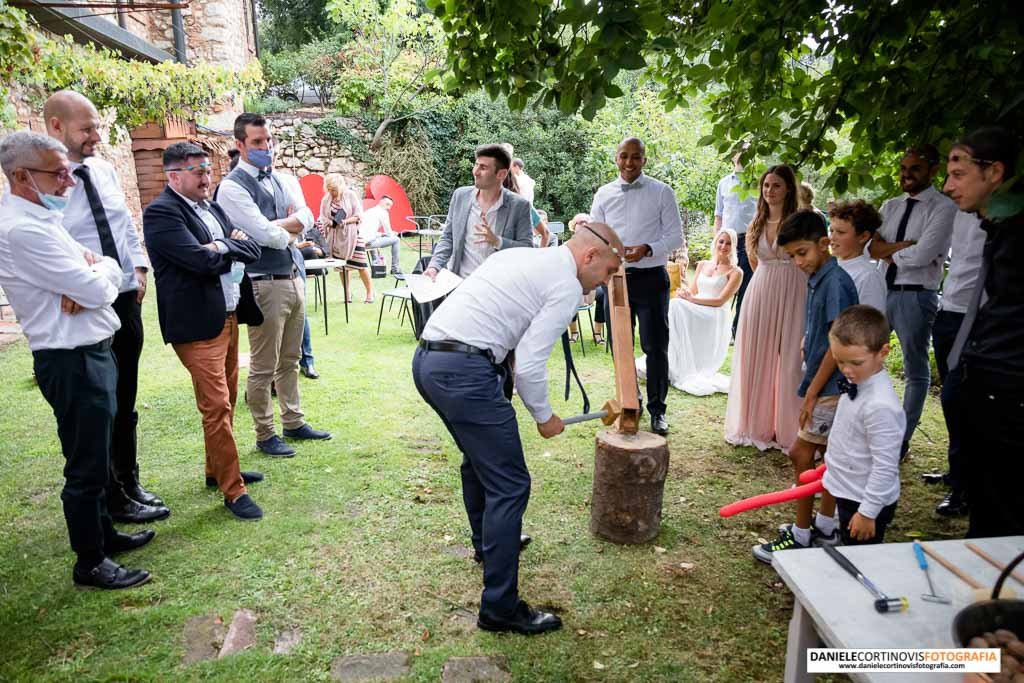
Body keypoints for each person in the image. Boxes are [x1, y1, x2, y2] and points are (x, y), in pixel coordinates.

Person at [413, 221, 624, 635]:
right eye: (609, 271)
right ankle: (500, 609)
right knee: (510, 485)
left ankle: (487, 546)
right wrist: (545, 418)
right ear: (589, 256)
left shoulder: (521, 256)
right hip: (464, 372)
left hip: (429, 360)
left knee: (478, 463)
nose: (606, 282)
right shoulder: (564, 287)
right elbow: (528, 365)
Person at [0, 131, 153, 589]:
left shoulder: (45, 221)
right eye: (58, 172)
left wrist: (96, 269)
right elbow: (100, 286)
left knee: (99, 452)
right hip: (70, 358)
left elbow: (101, 270)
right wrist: (97, 274)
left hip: (91, 349)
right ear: (22, 177)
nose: (69, 181)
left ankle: (104, 535)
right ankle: (90, 560)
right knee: (85, 464)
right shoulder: (22, 229)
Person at [43, 90, 169, 524]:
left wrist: (139, 269)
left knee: (126, 395)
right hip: (84, 300)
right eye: (87, 128)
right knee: (102, 403)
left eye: (97, 126)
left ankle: (129, 481)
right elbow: (52, 241)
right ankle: (110, 496)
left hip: (124, 297)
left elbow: (124, 225)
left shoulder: (104, 170)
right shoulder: (47, 184)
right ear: (56, 127)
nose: (96, 135)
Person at [142, 142, 266, 521]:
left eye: (208, 170)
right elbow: (200, 261)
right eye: (198, 171)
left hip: (227, 315)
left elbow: (254, 249)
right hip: (197, 325)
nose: (207, 178)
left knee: (225, 398)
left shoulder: (211, 207)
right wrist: (226, 247)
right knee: (217, 407)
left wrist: (220, 245)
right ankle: (233, 490)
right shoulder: (162, 213)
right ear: (173, 175)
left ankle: (217, 470)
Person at [217, 113, 332, 457]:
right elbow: (262, 234)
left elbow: (307, 217)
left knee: (291, 358)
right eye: (257, 142)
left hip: (294, 277)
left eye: (269, 140)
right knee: (264, 365)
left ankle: (293, 421)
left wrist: (279, 228)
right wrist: (287, 229)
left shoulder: (284, 178)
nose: (266, 147)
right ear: (240, 145)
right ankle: (265, 433)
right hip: (262, 282)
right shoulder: (232, 187)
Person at [754, 210, 858, 562]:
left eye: (802, 253)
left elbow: (838, 344)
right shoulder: (819, 277)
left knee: (802, 455)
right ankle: (826, 527)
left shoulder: (836, 282)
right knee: (827, 458)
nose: (798, 262)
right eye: (792, 256)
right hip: (823, 382)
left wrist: (812, 391)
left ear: (823, 243)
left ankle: (801, 537)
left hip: (831, 386)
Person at [943, 126, 1023, 538]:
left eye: (958, 173)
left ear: (994, 172)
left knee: (1002, 516)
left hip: (1007, 393)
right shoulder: (998, 230)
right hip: (989, 385)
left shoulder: (1016, 235)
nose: (948, 185)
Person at [590, 137, 684, 436]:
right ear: (616, 158)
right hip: (617, 280)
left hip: (652, 277)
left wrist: (647, 248)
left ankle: (658, 411)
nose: (629, 162)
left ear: (644, 159)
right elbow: (596, 235)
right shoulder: (603, 194)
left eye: (635, 157)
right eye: (624, 156)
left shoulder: (661, 192)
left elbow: (674, 237)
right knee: (621, 347)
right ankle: (631, 403)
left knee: (655, 347)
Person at [869, 145, 957, 460]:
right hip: (883, 290)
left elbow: (922, 256)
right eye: (903, 168)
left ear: (934, 171)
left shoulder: (943, 208)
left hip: (916, 295)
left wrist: (887, 250)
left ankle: (900, 441)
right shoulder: (891, 205)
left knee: (915, 370)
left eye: (915, 169)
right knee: (863, 357)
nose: (906, 174)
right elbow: (870, 248)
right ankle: (868, 428)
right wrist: (903, 246)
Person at [725, 165, 805, 452]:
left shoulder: (800, 222)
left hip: (794, 289)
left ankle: (789, 429)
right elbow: (756, 262)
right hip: (761, 289)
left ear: (788, 190)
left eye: (776, 186)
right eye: (766, 185)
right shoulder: (755, 222)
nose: (770, 191)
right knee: (757, 354)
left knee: (790, 359)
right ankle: (755, 424)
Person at [820, 305, 905, 545]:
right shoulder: (858, 380)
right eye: (839, 361)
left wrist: (867, 513)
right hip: (849, 490)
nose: (846, 370)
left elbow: (886, 467)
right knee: (850, 547)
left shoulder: (881, 406)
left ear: (884, 352)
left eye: (856, 362)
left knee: (861, 559)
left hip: (866, 500)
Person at [636, 229, 742, 395]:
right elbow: (692, 291)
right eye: (721, 241)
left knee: (677, 306)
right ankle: (666, 361)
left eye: (728, 243)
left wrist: (691, 300)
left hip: (715, 313)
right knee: (677, 303)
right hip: (697, 306)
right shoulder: (702, 265)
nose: (724, 246)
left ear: (733, 246)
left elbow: (720, 301)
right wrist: (685, 294)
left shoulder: (735, 272)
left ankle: (669, 362)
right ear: (716, 242)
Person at [928, 210, 984, 517]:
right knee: (953, 404)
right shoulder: (957, 212)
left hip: (976, 316)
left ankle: (964, 490)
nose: (950, 185)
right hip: (949, 309)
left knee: (957, 399)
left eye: (959, 172)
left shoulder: (1004, 217)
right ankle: (956, 473)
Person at [424, 144, 534, 280]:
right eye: (476, 165)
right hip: (458, 283)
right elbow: (448, 237)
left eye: (483, 167)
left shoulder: (519, 206)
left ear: (502, 174)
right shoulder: (460, 196)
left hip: (497, 287)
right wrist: (434, 266)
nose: (475, 172)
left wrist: (497, 241)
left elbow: (527, 249)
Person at [715, 150, 758, 337]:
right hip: (726, 241)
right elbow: (719, 214)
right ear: (732, 155)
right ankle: (717, 327)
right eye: (739, 151)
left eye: (747, 151)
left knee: (746, 285)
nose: (742, 155)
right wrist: (717, 239)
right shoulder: (724, 183)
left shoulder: (758, 183)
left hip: (748, 240)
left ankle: (737, 328)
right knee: (720, 282)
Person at [319, 173, 374, 303]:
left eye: (334, 190)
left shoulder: (350, 195)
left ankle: (370, 293)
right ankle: (347, 293)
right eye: (330, 189)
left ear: (340, 187)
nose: (332, 192)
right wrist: (330, 222)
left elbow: (359, 215)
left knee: (361, 264)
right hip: (336, 238)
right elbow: (322, 217)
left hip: (353, 235)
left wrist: (345, 221)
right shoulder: (326, 200)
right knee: (342, 266)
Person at [828, 200, 887, 312]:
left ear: (863, 236)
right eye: (831, 231)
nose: (832, 238)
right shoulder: (831, 266)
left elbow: (871, 322)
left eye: (840, 232)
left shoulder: (868, 276)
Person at [297, 221, 329, 380]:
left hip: (302, 270)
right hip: (276, 272)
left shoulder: (313, 230)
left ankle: (308, 362)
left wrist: (314, 249)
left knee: (302, 315)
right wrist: (299, 246)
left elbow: (326, 251)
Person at [359, 195, 403, 276]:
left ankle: (376, 266)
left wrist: (382, 234)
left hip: (360, 242)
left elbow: (368, 231)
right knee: (396, 240)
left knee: (375, 238)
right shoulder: (383, 212)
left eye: (390, 206)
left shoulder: (369, 211)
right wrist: (393, 233)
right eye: (387, 204)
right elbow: (389, 233)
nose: (389, 208)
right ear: (381, 202)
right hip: (368, 243)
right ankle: (395, 268)